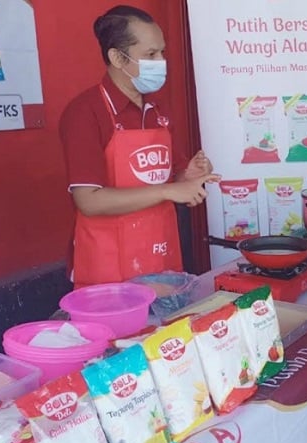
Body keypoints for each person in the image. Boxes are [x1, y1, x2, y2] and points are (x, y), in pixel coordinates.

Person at [59, 5, 219, 287]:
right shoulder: (86, 112)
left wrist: (188, 175)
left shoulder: (158, 108)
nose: (161, 61)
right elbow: (89, 201)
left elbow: (171, 175)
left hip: (159, 253)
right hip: (108, 263)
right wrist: (170, 189)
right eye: (150, 55)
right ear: (117, 58)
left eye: (162, 52)